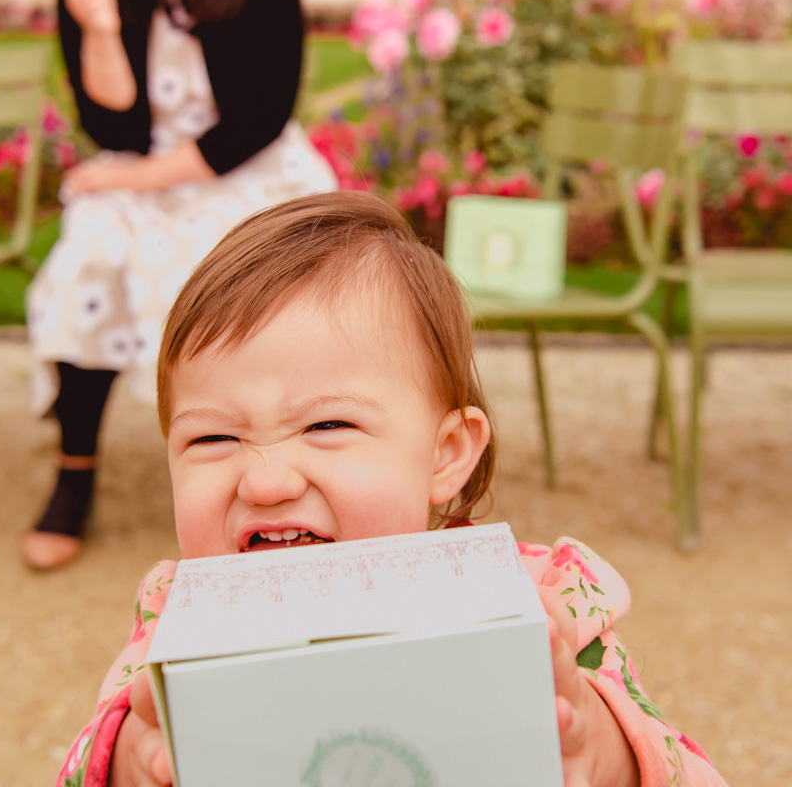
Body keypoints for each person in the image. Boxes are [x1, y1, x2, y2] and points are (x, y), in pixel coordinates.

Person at [54, 192, 726, 787]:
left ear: (446, 454)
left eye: (326, 424)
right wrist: (125, 765)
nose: (264, 480)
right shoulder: (176, 629)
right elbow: (91, 756)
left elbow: (684, 767)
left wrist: (603, 756)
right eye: (212, 440)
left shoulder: (545, 607)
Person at [23, 0, 336, 571]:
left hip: (249, 168)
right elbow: (115, 128)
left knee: (242, 275)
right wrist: (96, 27)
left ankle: (280, 475)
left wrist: (136, 177)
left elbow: (260, 118)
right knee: (89, 253)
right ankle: (75, 472)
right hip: (147, 164)